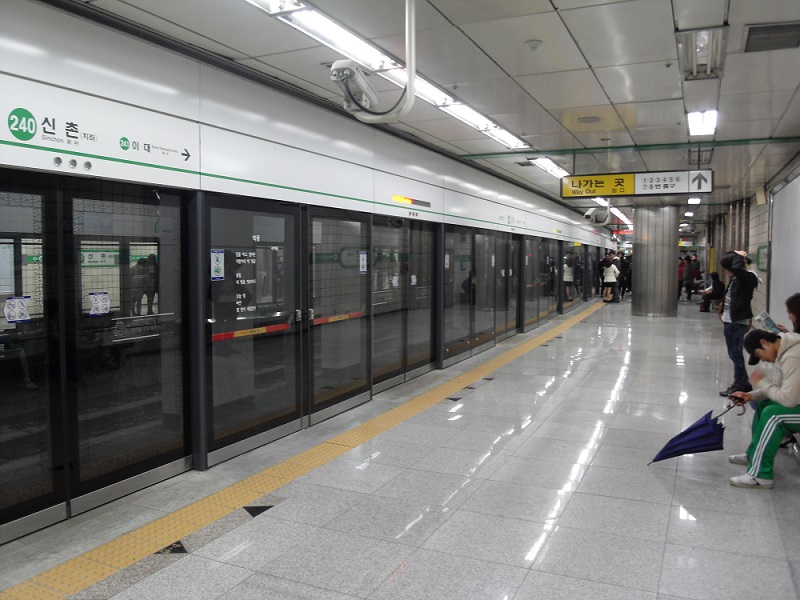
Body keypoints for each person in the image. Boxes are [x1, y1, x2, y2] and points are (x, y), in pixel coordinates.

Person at [727, 328, 800, 488]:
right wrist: (750, 396)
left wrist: (762, 382)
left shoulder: (793, 356)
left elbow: (787, 400)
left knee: (774, 415)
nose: (764, 361)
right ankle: (753, 454)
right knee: (763, 404)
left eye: (760, 355)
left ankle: (761, 476)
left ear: (764, 343)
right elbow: (777, 388)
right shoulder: (784, 350)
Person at [718, 250, 758, 397]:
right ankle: (743, 382)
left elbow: (736, 269)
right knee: (733, 353)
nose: (728, 271)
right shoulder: (736, 278)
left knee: (736, 354)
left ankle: (739, 385)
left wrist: (738, 257)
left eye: (728, 267)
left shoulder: (747, 277)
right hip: (730, 321)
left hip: (737, 322)